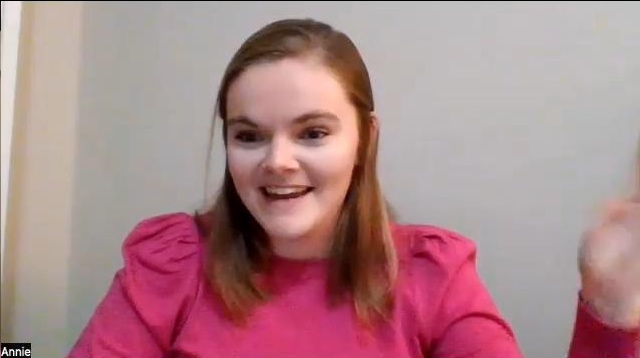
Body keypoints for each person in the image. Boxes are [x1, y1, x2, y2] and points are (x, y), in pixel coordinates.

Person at [66, 18, 639, 357]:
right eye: (249, 136)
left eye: (312, 133)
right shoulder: (171, 266)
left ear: (364, 140)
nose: (278, 162)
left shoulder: (432, 277)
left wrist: (609, 315)